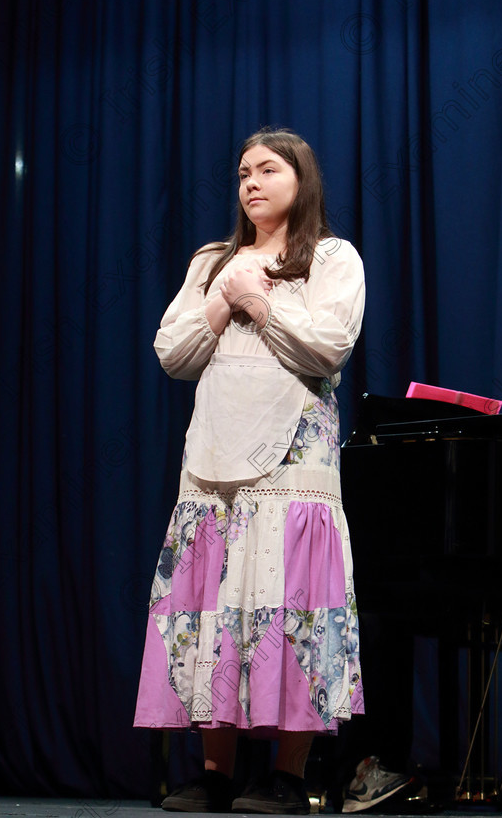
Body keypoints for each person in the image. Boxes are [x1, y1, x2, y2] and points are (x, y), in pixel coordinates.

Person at [133, 127, 366, 814]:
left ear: (303, 180)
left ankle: (289, 778)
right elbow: (172, 351)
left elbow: (328, 347)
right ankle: (214, 773)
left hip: (293, 461)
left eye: (268, 170)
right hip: (212, 459)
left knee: (288, 600)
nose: (252, 183)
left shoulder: (331, 258)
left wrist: (261, 304)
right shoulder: (213, 260)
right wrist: (225, 296)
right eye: (242, 174)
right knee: (212, 604)